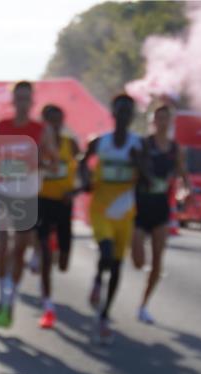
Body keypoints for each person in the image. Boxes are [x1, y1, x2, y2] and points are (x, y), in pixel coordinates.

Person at [0, 80, 59, 328]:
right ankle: (1, 295)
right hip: (2, 192)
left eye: (27, 98)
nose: (22, 102)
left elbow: (54, 163)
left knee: (20, 249)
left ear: (32, 101)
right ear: (13, 100)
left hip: (27, 196)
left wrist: (40, 162)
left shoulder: (42, 130)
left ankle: (9, 298)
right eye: (19, 97)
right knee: (3, 245)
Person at [79, 93, 143, 343]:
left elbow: (148, 176)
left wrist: (140, 164)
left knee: (116, 266)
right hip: (102, 209)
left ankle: (104, 314)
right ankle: (97, 280)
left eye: (128, 112)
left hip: (126, 212)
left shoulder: (138, 145)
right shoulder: (100, 142)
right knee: (105, 253)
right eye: (120, 111)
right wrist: (85, 180)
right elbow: (83, 161)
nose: (124, 116)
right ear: (113, 114)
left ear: (132, 117)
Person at [132, 103, 189, 325]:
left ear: (170, 121)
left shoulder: (176, 149)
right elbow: (133, 170)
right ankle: (137, 257)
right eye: (158, 117)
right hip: (140, 205)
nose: (162, 122)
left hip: (161, 207)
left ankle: (143, 305)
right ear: (152, 121)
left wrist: (186, 192)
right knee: (138, 261)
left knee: (157, 261)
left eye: (166, 118)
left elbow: (183, 175)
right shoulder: (143, 144)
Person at [36, 104, 81, 329]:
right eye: (50, 120)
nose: (54, 125)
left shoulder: (70, 144)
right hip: (42, 201)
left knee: (63, 263)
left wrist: (74, 191)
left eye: (58, 120)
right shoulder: (38, 146)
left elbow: (81, 171)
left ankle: (55, 253)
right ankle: (47, 303)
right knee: (44, 253)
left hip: (63, 203)